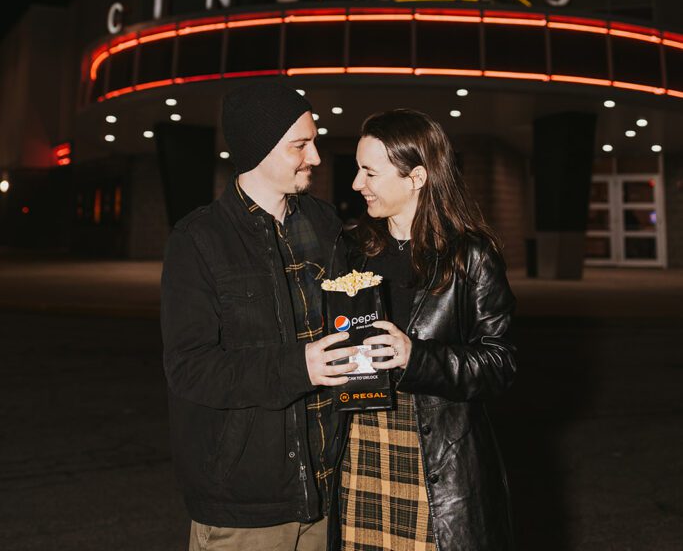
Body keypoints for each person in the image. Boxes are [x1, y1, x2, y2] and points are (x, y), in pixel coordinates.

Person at [160, 79, 357, 551]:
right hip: (245, 506)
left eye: (314, 141)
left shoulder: (324, 222)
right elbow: (189, 368)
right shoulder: (198, 241)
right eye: (300, 145)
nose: (315, 157)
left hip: (328, 492)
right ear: (258, 148)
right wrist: (299, 366)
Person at [328, 108, 517, 551]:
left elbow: (500, 363)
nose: (356, 184)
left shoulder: (472, 256)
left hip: (435, 460)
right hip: (359, 450)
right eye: (358, 169)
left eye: (369, 172)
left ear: (416, 177)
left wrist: (416, 357)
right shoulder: (352, 248)